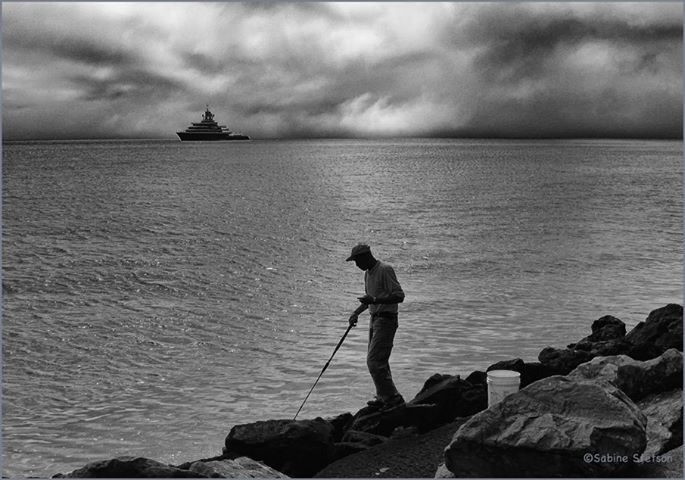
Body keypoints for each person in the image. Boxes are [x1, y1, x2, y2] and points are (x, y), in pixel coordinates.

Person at [346, 243, 405, 410]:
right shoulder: (367, 274)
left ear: (366, 256)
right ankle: (383, 396)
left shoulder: (385, 269)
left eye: (357, 261)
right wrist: (356, 313)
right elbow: (370, 299)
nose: (356, 265)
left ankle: (393, 398)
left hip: (387, 319)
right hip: (375, 319)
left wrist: (374, 301)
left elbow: (399, 296)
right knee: (380, 361)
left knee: (374, 361)